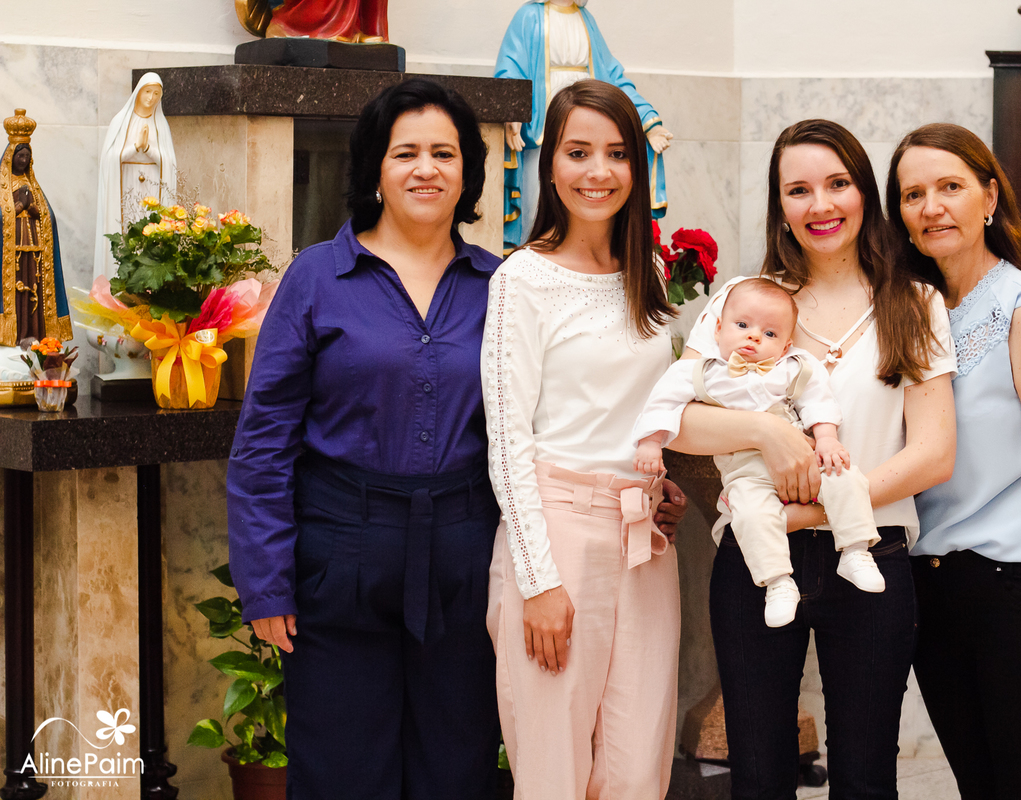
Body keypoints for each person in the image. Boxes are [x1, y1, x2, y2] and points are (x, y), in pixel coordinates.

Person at [226, 79, 502, 799]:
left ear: (467, 172)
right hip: (339, 556)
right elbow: (263, 443)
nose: (425, 169)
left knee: (458, 769)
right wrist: (265, 582)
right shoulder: (317, 276)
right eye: (405, 152)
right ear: (375, 169)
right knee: (342, 773)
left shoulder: (502, 286)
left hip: (466, 558)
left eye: (444, 153)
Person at [670, 119, 957, 799]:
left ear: (864, 193)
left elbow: (934, 453)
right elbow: (678, 423)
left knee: (866, 778)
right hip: (757, 559)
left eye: (838, 184)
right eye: (798, 190)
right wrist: (766, 434)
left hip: (873, 554)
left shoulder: (914, 302)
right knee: (759, 775)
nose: (820, 205)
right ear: (779, 204)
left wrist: (819, 508)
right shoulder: (746, 302)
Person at [887, 122, 1021, 800]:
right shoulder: (910, 310)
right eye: (913, 194)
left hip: (1016, 588)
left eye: (950, 187)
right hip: (932, 585)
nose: (932, 207)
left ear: (988, 198)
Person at [482, 79, 687, 800]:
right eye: (578, 152)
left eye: (618, 153)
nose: (598, 171)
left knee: (637, 772)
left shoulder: (649, 273)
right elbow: (507, 440)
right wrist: (538, 581)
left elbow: (642, 407)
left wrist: (660, 482)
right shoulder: (522, 279)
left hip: (644, 542)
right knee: (554, 774)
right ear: (549, 166)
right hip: (557, 535)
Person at [632, 277, 884, 629]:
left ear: (786, 345)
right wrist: (649, 442)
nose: (753, 337)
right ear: (718, 329)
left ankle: (856, 550)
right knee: (751, 513)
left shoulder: (792, 367)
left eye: (769, 333)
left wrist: (826, 438)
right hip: (745, 469)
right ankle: (778, 582)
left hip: (802, 459)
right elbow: (662, 404)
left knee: (846, 477)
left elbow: (818, 400)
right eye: (742, 325)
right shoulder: (699, 372)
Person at [495, 0, 672, 253]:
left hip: (592, 115)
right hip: (543, 126)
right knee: (538, 196)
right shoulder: (529, 16)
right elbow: (511, 67)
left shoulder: (585, 19)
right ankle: (542, 255)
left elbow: (613, 79)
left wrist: (647, 120)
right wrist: (512, 110)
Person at [1, 109, 72, 378]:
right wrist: (19, 206)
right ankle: (15, 334)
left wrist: (33, 209)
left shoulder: (33, 183)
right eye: (19, 156)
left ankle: (33, 333)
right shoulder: (2, 184)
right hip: (10, 253)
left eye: (27, 156)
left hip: (34, 249)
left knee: (34, 289)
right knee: (18, 291)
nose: (23, 160)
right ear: (11, 156)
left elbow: (47, 216)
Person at [95, 72, 176, 281]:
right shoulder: (121, 121)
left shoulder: (161, 124)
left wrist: (148, 149)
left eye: (156, 93)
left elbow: (169, 163)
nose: (151, 98)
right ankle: (120, 281)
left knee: (149, 233)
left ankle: (148, 284)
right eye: (147, 92)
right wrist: (134, 147)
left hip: (152, 187)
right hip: (126, 185)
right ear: (138, 92)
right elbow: (109, 159)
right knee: (126, 233)